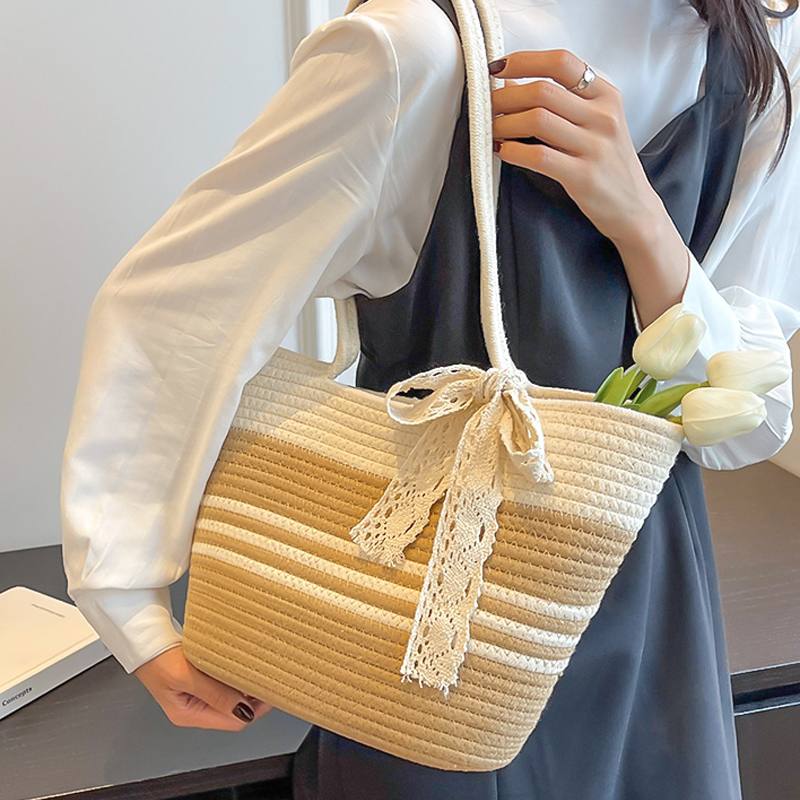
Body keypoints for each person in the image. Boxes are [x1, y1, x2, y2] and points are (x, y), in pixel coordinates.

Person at [61, 0, 800, 797]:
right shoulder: (415, 49)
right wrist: (127, 599)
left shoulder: (759, 58)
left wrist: (641, 220)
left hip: (648, 602)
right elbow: (181, 310)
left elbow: (749, 421)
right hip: (434, 607)